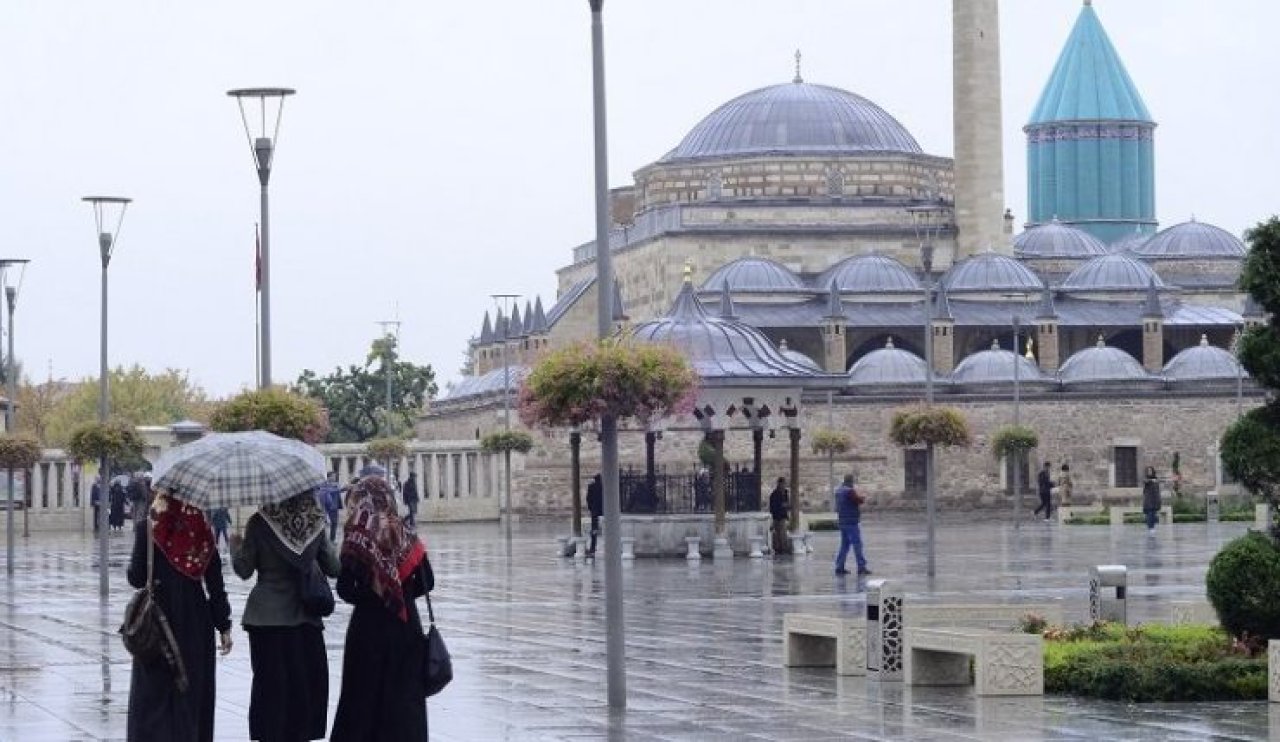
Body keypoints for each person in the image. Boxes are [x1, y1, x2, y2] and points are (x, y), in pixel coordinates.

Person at [331, 476, 434, 741]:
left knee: (363, 700)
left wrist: (374, 596)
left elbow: (345, 589)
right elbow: (428, 581)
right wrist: (401, 595)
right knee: (403, 699)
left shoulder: (357, 534)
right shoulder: (406, 532)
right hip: (406, 627)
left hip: (368, 630)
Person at [230, 492, 339, 742]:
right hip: (305, 617)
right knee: (302, 686)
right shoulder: (314, 521)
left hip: (265, 618)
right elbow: (334, 567)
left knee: (270, 686)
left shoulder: (260, 522)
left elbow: (244, 570)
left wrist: (236, 547)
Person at [126, 488, 233, 742]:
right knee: (190, 690)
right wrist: (224, 626)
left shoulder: (149, 528)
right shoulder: (202, 532)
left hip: (157, 621)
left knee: (154, 693)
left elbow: (136, 577)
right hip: (195, 622)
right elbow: (215, 585)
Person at [834, 474, 870, 576]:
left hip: (842, 521)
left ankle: (839, 566)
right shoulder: (849, 491)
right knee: (857, 545)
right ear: (851, 481)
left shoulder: (838, 491)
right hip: (851, 522)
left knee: (844, 546)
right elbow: (857, 500)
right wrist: (862, 497)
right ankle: (861, 567)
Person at [768, 477, 791, 555]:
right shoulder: (774, 494)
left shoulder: (785, 493)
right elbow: (773, 506)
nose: (784, 485)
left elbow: (787, 504)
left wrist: (786, 507)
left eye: (784, 484)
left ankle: (784, 548)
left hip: (783, 516)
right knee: (777, 534)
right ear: (779, 484)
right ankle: (778, 549)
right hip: (776, 515)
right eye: (783, 484)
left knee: (783, 533)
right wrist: (781, 506)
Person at [318, 472, 343, 542]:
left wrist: (344, 488)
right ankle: (322, 540)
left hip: (334, 506)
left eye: (335, 476)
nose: (334, 478)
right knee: (322, 523)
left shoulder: (336, 484)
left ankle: (332, 539)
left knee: (334, 523)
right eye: (333, 476)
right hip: (325, 505)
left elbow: (339, 490)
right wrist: (339, 489)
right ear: (328, 477)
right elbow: (326, 490)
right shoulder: (323, 484)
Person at [586, 474, 602, 556]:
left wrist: (591, 508)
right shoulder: (605, 486)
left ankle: (592, 548)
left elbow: (588, 499)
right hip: (606, 510)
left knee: (594, 529)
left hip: (595, 510)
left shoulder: (591, 486)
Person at [1142, 466, 1161, 531]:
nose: (1149, 472)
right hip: (1148, 500)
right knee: (1149, 513)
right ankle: (1150, 528)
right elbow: (1146, 481)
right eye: (1148, 471)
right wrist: (1151, 480)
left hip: (1155, 499)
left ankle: (1152, 527)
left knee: (1154, 514)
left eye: (1150, 471)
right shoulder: (1145, 479)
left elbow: (1158, 489)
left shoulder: (1156, 479)